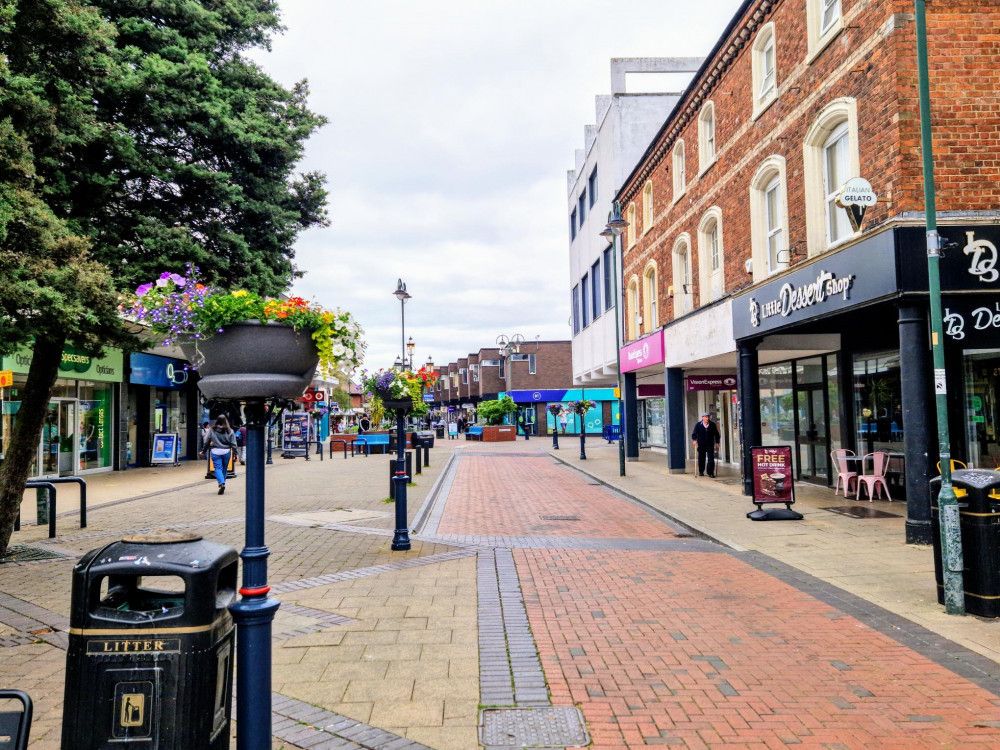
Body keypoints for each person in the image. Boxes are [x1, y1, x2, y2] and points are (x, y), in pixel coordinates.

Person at [201, 415, 238, 494]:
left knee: (218, 468)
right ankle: (223, 483)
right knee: (224, 469)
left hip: (215, 451)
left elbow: (207, 441)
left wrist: (203, 451)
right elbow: (233, 444)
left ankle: (221, 483)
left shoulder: (212, 430)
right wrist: (236, 454)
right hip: (226, 451)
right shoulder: (230, 431)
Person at [691, 412, 721, 478]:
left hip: (710, 444)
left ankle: (710, 472)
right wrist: (694, 440)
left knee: (711, 458)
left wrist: (717, 443)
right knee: (701, 458)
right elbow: (694, 434)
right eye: (706, 417)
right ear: (703, 418)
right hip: (701, 444)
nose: (707, 418)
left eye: (708, 417)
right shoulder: (698, 425)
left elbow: (717, 434)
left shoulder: (712, 425)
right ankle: (701, 471)